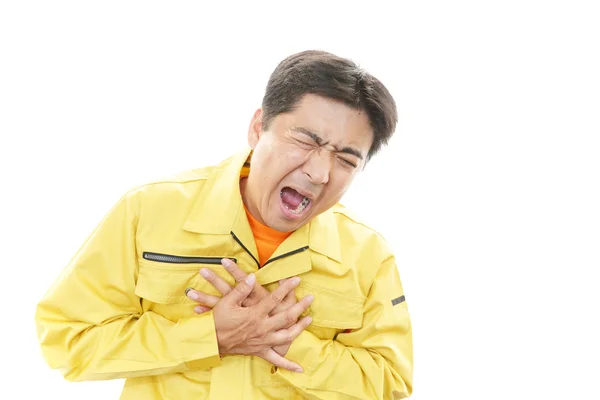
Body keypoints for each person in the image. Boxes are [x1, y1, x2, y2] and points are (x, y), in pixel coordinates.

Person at [35, 50, 413, 399]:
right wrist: (209, 336)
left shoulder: (368, 256)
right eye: (307, 140)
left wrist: (287, 341)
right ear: (258, 126)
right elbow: (68, 340)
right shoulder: (149, 211)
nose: (318, 172)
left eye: (346, 160)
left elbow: (391, 383)